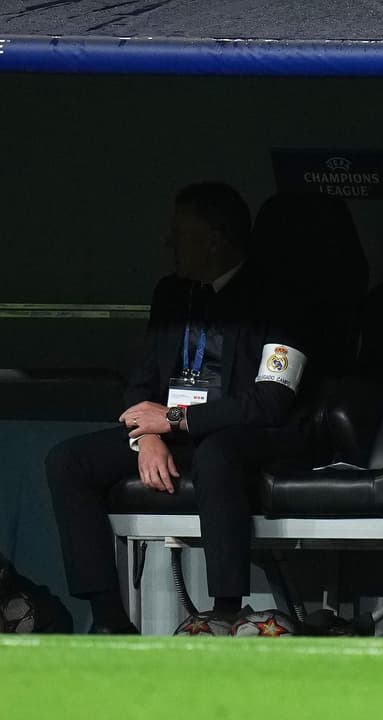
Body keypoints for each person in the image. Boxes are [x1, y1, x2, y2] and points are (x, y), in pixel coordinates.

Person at [45, 182, 320, 634]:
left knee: (217, 453)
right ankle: (109, 620)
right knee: (68, 461)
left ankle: (226, 608)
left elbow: (270, 402)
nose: (168, 244)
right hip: (173, 430)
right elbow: (141, 381)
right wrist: (147, 435)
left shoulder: (280, 298)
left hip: (251, 435)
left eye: (179, 233)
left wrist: (173, 420)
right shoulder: (172, 294)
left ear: (214, 240)